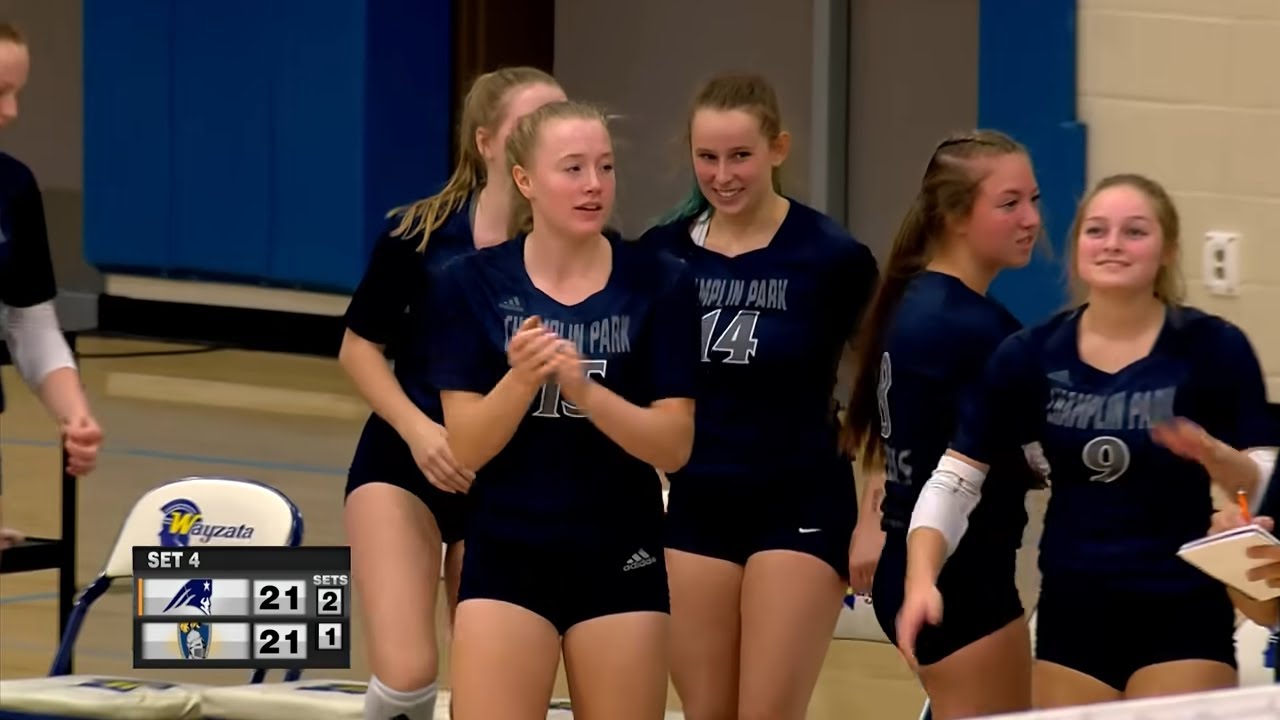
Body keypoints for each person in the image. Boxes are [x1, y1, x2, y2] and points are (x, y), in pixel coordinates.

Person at [903, 173, 1279, 708]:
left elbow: (1264, 476)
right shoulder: (1029, 355)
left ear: (1168, 249)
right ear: (1077, 246)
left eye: (1135, 232)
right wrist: (921, 578)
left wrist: (1214, 456)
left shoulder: (1212, 347)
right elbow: (956, 481)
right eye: (1097, 231)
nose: (1113, 245)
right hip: (1072, 611)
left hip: (1181, 608)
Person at [420, 100, 699, 720]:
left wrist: (589, 393)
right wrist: (520, 381)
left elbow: (674, 447)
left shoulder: (663, 282)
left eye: (604, 167)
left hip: (621, 556)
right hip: (507, 553)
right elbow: (464, 449)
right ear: (525, 182)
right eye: (572, 169)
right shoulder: (468, 284)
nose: (594, 184)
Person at [640, 72, 879, 720]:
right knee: (706, 711)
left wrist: (875, 511)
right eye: (707, 157)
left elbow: (887, 387)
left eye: (740, 155)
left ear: (778, 148)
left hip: (800, 501)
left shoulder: (831, 257)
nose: (723, 174)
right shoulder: (661, 257)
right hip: (696, 502)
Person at [339, 66, 564, 720]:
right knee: (408, 674)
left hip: (508, 478)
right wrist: (419, 430)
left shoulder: (570, 249)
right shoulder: (420, 236)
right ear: (488, 143)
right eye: (531, 124)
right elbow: (358, 350)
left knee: (493, 687)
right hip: (406, 462)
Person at [840, 131, 1043, 719]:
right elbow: (1036, 453)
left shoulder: (911, 298)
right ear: (955, 215)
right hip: (957, 574)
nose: (1030, 219)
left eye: (1033, 199)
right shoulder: (971, 327)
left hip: (928, 559)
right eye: (1009, 204)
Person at [0, 21, 102, 553]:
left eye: (17, 93)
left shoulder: (13, 186)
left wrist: (73, 413)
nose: (12, 113)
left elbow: (29, 320)